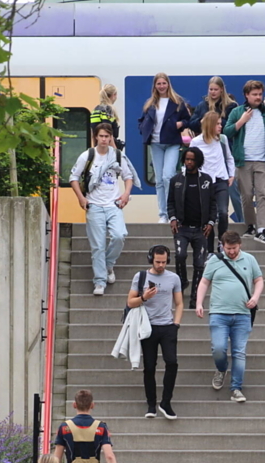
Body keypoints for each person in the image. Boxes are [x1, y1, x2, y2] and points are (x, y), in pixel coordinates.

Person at [194, 230, 263, 403]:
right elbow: (204, 282)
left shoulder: (249, 259)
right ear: (222, 246)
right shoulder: (215, 260)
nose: (231, 251)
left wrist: (255, 297)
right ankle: (222, 368)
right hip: (219, 313)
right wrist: (199, 303)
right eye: (228, 248)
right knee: (218, 348)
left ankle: (236, 388)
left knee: (239, 352)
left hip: (242, 313)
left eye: (234, 248)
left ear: (240, 244)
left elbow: (259, 280)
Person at [69, 123, 133, 296]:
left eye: (107, 136)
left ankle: (108, 264)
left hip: (113, 204)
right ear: (95, 137)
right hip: (94, 205)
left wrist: (126, 194)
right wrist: (81, 198)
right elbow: (73, 177)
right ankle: (99, 281)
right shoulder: (88, 155)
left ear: (111, 137)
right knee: (98, 245)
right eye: (101, 136)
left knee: (119, 235)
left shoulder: (118, 156)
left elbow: (128, 177)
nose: (104, 139)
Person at [126, 245, 183, 418]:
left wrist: (176, 324)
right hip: (147, 327)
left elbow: (179, 303)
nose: (161, 265)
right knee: (149, 366)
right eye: (157, 262)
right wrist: (144, 297)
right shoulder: (141, 276)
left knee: (172, 362)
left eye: (164, 262)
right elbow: (130, 302)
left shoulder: (173, 278)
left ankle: (166, 402)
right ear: (151, 259)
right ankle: (151, 404)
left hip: (167, 326)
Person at [225, 80, 265, 245]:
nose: (258, 97)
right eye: (255, 94)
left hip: (264, 161)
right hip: (243, 161)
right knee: (246, 196)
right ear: (247, 95)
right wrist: (242, 121)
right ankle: (250, 226)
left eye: (260, 94)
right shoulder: (237, 112)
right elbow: (227, 131)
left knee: (263, 195)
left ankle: (261, 229)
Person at [187, 76, 244, 224]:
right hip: (207, 145)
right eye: (210, 89)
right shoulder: (202, 105)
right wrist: (203, 122)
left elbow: (230, 126)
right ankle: (214, 220)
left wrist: (214, 120)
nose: (213, 92)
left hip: (225, 146)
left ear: (221, 90)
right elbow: (191, 123)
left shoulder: (231, 106)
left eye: (215, 89)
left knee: (234, 189)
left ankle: (241, 219)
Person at [167, 147, 218, 309]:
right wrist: (173, 219)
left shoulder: (206, 180)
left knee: (199, 263)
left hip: (201, 229)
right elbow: (170, 203)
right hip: (182, 228)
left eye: (192, 160)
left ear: (198, 161)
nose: (189, 162)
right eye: (187, 159)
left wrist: (210, 222)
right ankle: (182, 282)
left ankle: (195, 296)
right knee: (180, 255)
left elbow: (213, 204)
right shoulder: (176, 180)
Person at [138, 73, 191, 223]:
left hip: (172, 142)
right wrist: (143, 129)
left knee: (168, 176)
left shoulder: (177, 102)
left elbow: (188, 119)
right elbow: (141, 120)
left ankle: (171, 212)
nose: (161, 86)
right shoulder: (150, 103)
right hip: (155, 144)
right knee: (159, 180)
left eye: (164, 83)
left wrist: (181, 124)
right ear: (155, 86)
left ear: (168, 84)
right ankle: (163, 214)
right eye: (158, 84)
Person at [189, 112, 235, 254]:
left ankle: (222, 243)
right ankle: (209, 250)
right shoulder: (196, 142)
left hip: (221, 180)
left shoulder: (222, 139)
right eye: (218, 124)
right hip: (204, 182)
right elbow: (190, 162)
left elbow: (229, 157)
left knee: (222, 212)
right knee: (207, 217)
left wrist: (231, 174)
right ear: (210, 125)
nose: (221, 126)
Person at [91, 84, 123, 148]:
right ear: (114, 95)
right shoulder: (108, 110)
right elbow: (106, 131)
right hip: (107, 148)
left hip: (98, 146)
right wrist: (115, 151)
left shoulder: (96, 109)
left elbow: (93, 131)